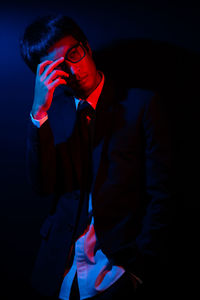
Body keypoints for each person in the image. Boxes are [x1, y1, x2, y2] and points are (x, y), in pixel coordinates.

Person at [20, 15, 172, 300]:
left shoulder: (141, 105)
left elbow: (163, 195)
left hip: (117, 267)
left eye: (74, 54)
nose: (73, 70)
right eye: (59, 67)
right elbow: (42, 187)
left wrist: (139, 270)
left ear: (87, 47)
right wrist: (38, 114)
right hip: (57, 269)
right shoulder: (52, 111)